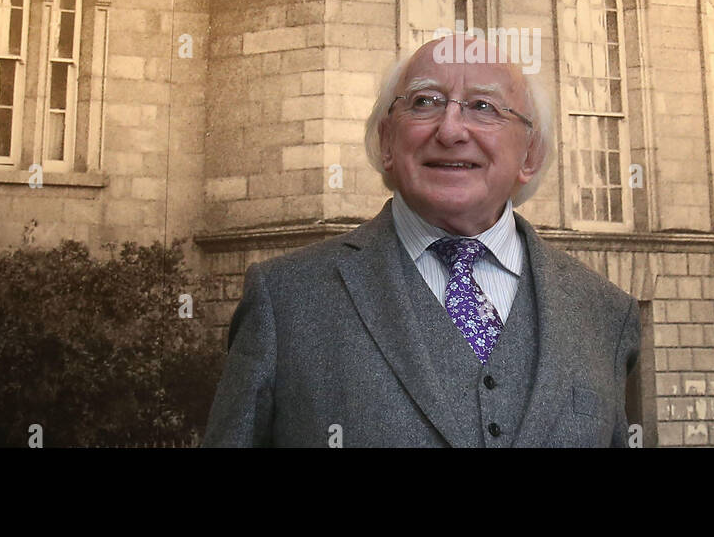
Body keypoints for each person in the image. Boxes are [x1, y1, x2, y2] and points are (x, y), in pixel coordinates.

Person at [202, 34, 641, 447]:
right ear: (387, 141)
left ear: (530, 155)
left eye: (484, 106)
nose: (450, 131)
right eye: (425, 102)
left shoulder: (606, 313)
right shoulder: (285, 301)